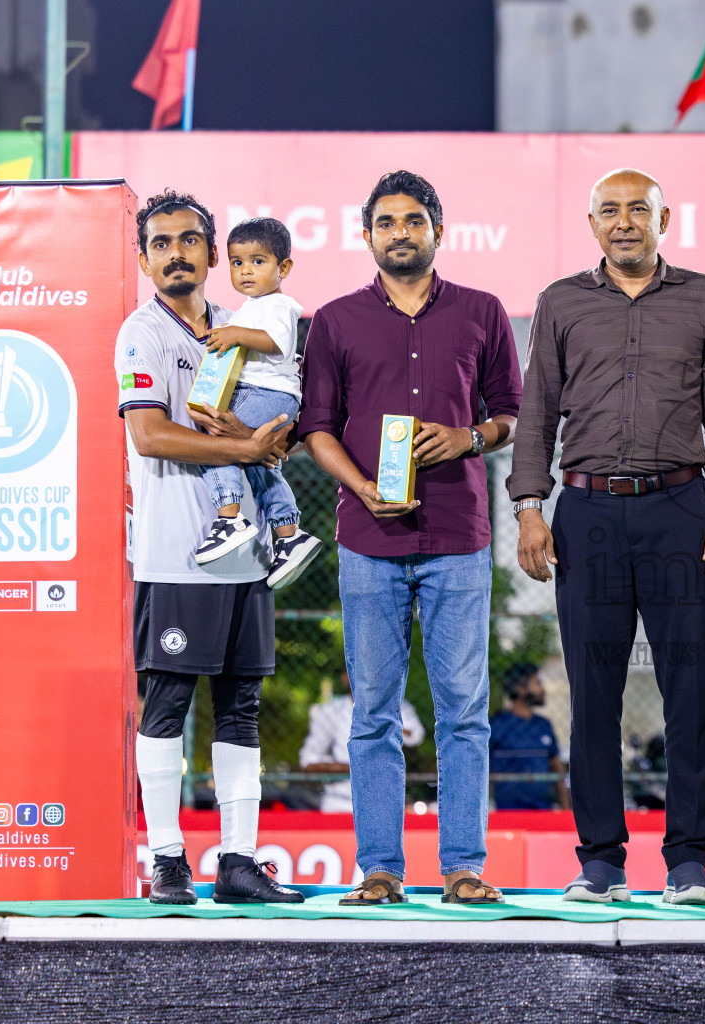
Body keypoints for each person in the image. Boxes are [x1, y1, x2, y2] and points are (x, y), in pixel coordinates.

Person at [511, 168, 705, 907]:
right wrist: (528, 508)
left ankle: (689, 864)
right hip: (586, 519)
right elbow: (537, 412)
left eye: (637, 210)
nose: (624, 222)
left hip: (683, 509)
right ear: (592, 225)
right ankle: (600, 863)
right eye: (609, 211)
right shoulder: (560, 302)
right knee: (593, 694)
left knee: (689, 690)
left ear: (663, 219)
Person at [300, 170, 521, 907]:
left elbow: (513, 417)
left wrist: (470, 436)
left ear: (438, 231)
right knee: (373, 714)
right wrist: (361, 488)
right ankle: (380, 869)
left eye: (414, 221)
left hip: (460, 534)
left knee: (463, 709)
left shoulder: (483, 313)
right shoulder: (333, 321)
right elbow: (316, 428)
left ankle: (463, 867)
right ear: (367, 236)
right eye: (387, 222)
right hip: (368, 536)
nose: (401, 232)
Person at [118, 189, 301, 905]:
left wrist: (266, 438)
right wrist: (246, 442)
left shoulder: (241, 324)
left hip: (246, 552)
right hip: (175, 552)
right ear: (143, 260)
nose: (174, 254)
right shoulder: (142, 332)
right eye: (160, 244)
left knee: (242, 706)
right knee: (166, 702)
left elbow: (275, 421)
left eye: (188, 240)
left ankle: (238, 862)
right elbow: (149, 434)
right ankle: (166, 860)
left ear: (211, 253)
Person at [191, 217, 323, 588]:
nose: (246, 270)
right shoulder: (252, 307)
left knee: (215, 445)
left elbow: (277, 343)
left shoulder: (277, 306)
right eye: (237, 262)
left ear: (284, 268)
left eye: (258, 261)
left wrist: (234, 335)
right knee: (261, 465)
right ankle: (288, 534)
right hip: (270, 396)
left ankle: (229, 517)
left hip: (266, 395)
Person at [299, 671, 426, 813]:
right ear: (345, 677)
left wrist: (382, 721)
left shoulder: (396, 705)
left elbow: (415, 735)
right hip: (339, 802)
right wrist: (352, 767)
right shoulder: (330, 711)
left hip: (384, 799)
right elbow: (308, 760)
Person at [488, 663, 569, 810]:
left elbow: (556, 767)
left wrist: (566, 809)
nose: (542, 689)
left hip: (543, 810)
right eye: (537, 683)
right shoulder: (496, 725)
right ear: (520, 688)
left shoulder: (543, 725)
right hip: (507, 812)